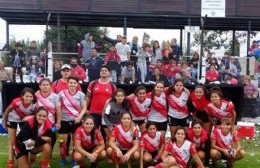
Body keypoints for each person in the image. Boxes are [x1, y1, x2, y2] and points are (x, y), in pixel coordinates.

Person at [2, 88, 37, 168]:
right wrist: (4, 123)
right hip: (12, 119)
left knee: (24, 141)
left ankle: (25, 159)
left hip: (24, 121)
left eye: (30, 96)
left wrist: (31, 118)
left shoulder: (35, 104)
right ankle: (11, 162)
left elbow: (37, 115)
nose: (28, 98)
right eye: (26, 96)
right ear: (22, 96)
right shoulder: (16, 102)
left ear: (33, 97)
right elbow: (7, 111)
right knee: (12, 142)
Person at [58, 76, 87, 166]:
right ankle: (63, 158)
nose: (72, 84)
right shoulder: (61, 93)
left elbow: (84, 108)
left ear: (77, 84)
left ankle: (73, 159)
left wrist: (80, 117)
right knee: (63, 142)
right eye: (71, 82)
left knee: (76, 142)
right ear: (68, 83)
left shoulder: (81, 94)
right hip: (64, 120)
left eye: (74, 83)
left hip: (76, 121)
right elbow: (56, 105)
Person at [35, 78, 61, 150]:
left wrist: (58, 122)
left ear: (50, 86)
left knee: (50, 140)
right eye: (43, 85)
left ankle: (48, 156)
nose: (45, 86)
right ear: (40, 86)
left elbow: (58, 110)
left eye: (47, 85)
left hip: (51, 122)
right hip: (38, 122)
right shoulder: (36, 95)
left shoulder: (55, 96)